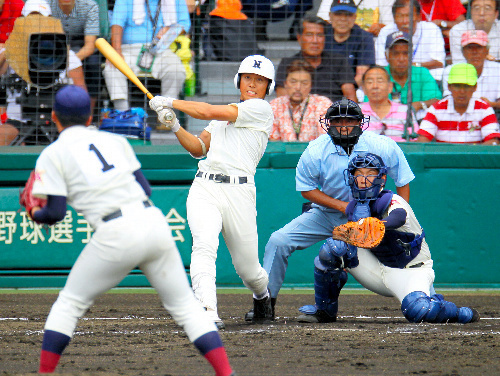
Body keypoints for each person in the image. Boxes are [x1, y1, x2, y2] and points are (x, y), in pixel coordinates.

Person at [28, 85, 235, 375]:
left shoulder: (52, 153)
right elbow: (145, 188)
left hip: (115, 231)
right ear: (90, 117)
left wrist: (34, 212)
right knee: (187, 308)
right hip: (152, 221)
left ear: (54, 117)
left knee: (69, 304)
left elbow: (55, 213)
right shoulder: (114, 141)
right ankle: (227, 372)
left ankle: (44, 373)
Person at [245, 97, 415, 321]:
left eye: (350, 120)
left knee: (402, 251)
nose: (344, 126)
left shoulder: (381, 145)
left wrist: (399, 216)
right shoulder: (316, 149)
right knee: (278, 241)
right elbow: (306, 189)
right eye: (337, 121)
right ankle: (265, 305)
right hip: (327, 213)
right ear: (328, 123)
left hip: (370, 215)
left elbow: (402, 180)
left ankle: (421, 295)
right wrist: (344, 206)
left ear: (360, 122)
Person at [148, 55, 276, 327]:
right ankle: (207, 311)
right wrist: (174, 125)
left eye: (260, 80)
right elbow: (198, 149)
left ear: (268, 87)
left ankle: (263, 296)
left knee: (248, 269)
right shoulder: (222, 118)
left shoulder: (261, 110)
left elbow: (206, 111)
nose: (253, 84)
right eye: (248, 78)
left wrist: (170, 101)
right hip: (205, 186)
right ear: (238, 80)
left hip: (239, 192)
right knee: (204, 247)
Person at [296, 153, 480, 324]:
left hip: (411, 271)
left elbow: (399, 216)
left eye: (370, 173)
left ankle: (460, 312)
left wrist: (380, 225)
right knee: (334, 249)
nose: (364, 179)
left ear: (382, 178)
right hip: (377, 269)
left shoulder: (393, 200)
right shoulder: (353, 207)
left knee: (420, 310)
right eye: (359, 174)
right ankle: (324, 310)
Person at [2, 2, 87, 146]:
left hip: (57, 120)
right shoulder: (10, 51)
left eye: (40, 19)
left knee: (78, 144)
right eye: (30, 19)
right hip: (17, 120)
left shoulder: (67, 55)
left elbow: (81, 94)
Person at [103, 0, 190, 112]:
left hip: (161, 50)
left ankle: (166, 114)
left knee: (176, 69)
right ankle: (123, 114)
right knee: (112, 68)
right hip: (130, 49)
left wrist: (169, 30)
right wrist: (116, 51)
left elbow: (185, 24)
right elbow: (116, 24)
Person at [274, 15, 357, 103]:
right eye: (309, 35)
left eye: (319, 35)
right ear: (299, 38)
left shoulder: (339, 62)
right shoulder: (287, 64)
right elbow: (282, 101)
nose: (315, 41)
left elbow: (350, 97)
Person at [417, 63, 500, 144]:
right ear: (449, 87)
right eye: (457, 86)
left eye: (467, 86)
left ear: (475, 87)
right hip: (444, 158)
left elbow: (493, 141)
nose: (462, 91)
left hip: (473, 158)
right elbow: (422, 140)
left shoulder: (484, 108)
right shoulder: (436, 108)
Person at [46, 0, 101, 117]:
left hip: (81, 45)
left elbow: (90, 46)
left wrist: (69, 61)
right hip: (53, 44)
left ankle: (87, 115)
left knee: (94, 63)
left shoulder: (90, 6)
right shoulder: (46, 6)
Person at [376, 0, 445, 81]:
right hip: (394, 78)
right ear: (394, 18)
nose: (405, 21)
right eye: (400, 16)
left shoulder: (432, 29)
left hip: (425, 77)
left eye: (409, 15)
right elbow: (380, 64)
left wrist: (414, 66)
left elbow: (439, 63)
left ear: (419, 17)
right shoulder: (386, 32)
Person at [382, 30, 442, 120]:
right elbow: (369, 105)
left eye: (406, 53)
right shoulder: (379, 76)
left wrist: (420, 104)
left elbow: (437, 100)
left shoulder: (422, 73)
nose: (401, 59)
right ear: (386, 56)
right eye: (396, 54)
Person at [270, 59, 332, 142]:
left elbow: (326, 141)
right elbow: (274, 145)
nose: (298, 87)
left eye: (304, 83)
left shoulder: (322, 104)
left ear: (311, 85)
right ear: (285, 83)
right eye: (293, 82)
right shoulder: (275, 106)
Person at [443, 30, 500, 112]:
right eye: (470, 48)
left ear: (487, 51)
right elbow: (448, 100)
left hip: (492, 115)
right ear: (463, 52)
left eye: (479, 47)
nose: (474, 52)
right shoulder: (451, 70)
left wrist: (491, 104)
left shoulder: (498, 69)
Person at [324, 0, 376, 87]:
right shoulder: (321, 34)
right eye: (338, 14)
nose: (343, 19)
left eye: (348, 15)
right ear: (330, 16)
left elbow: (361, 76)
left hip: (352, 89)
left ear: (355, 17)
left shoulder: (364, 38)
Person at [360, 65, 418, 142]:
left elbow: (415, 141)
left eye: (380, 81)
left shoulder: (405, 111)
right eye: (370, 82)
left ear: (390, 87)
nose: (375, 86)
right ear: (364, 89)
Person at [317, 0, 395, 36]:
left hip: (373, 47)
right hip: (338, 46)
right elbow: (321, 24)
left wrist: (381, 28)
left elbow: (393, 28)